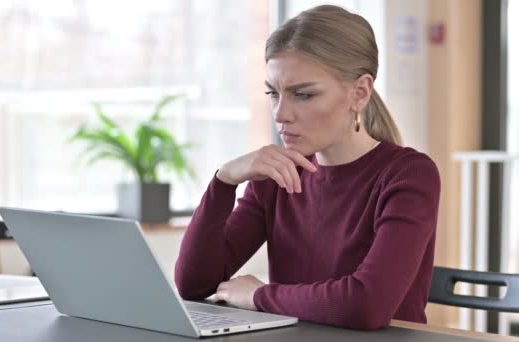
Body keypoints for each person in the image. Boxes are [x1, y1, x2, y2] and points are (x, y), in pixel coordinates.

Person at [174, 4, 440, 331]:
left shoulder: (409, 175)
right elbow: (195, 284)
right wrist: (224, 181)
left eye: (303, 95)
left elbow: (366, 305)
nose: (280, 114)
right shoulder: (277, 175)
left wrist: (260, 296)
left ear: (359, 93)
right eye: (273, 93)